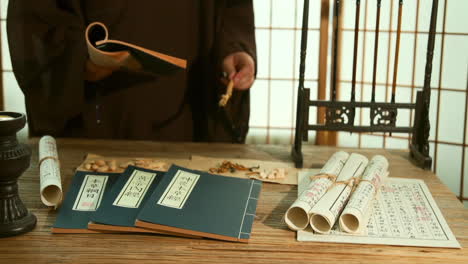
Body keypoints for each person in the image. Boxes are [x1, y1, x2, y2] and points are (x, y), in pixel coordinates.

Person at [7, 0, 256, 143]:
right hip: (100, 113)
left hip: (188, 109)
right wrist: (77, 61)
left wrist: (233, 48)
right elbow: (38, 15)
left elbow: (232, 8)